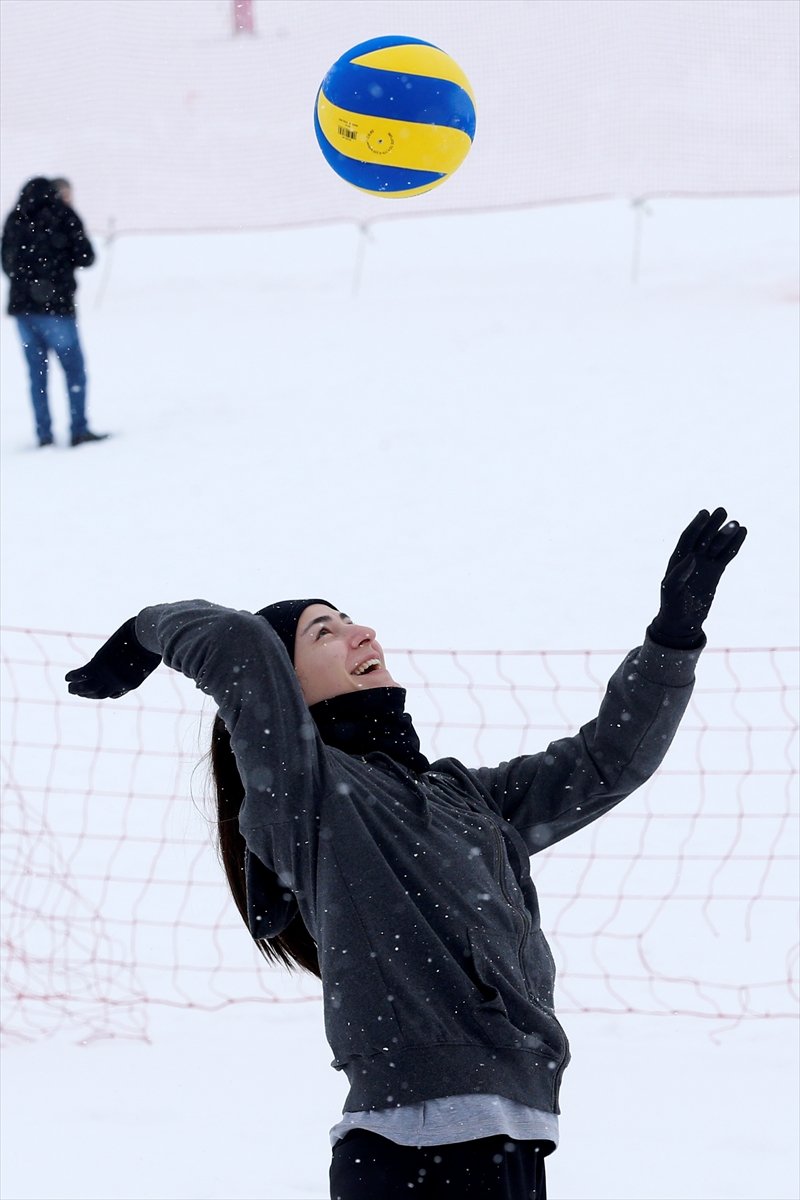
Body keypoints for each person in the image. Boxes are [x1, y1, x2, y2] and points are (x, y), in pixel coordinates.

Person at [65, 508, 746, 1199]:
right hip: (412, 1150)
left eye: (350, 618)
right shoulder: (310, 794)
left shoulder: (464, 798)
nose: (361, 632)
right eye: (321, 633)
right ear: (283, 688)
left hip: (515, 1140)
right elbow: (238, 642)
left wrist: (672, 637)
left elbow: (607, 763)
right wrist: (143, 633)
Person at [1, 176, 107, 448]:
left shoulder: (15, 219)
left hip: (23, 311)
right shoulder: (63, 215)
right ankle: (78, 429)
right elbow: (87, 256)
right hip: (56, 309)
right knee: (74, 372)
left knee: (37, 375)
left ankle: (44, 434)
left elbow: (7, 264)